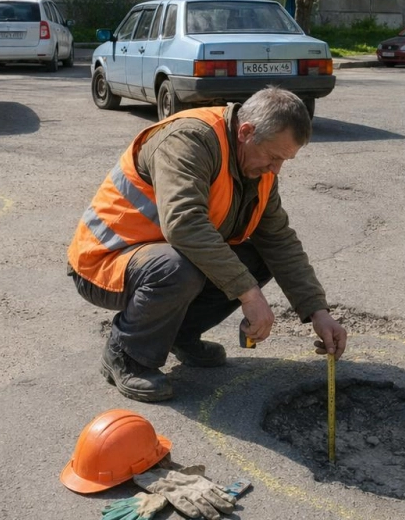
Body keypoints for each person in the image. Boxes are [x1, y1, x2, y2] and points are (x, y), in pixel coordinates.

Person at [68, 87, 348, 402]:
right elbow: (184, 225)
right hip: (105, 261)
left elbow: (278, 239)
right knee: (179, 268)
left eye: (284, 160)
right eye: (273, 157)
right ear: (245, 132)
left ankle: (179, 334)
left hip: (162, 256)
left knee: (255, 257)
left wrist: (317, 310)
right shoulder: (189, 140)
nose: (276, 169)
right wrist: (250, 294)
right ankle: (126, 355)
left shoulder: (258, 166)